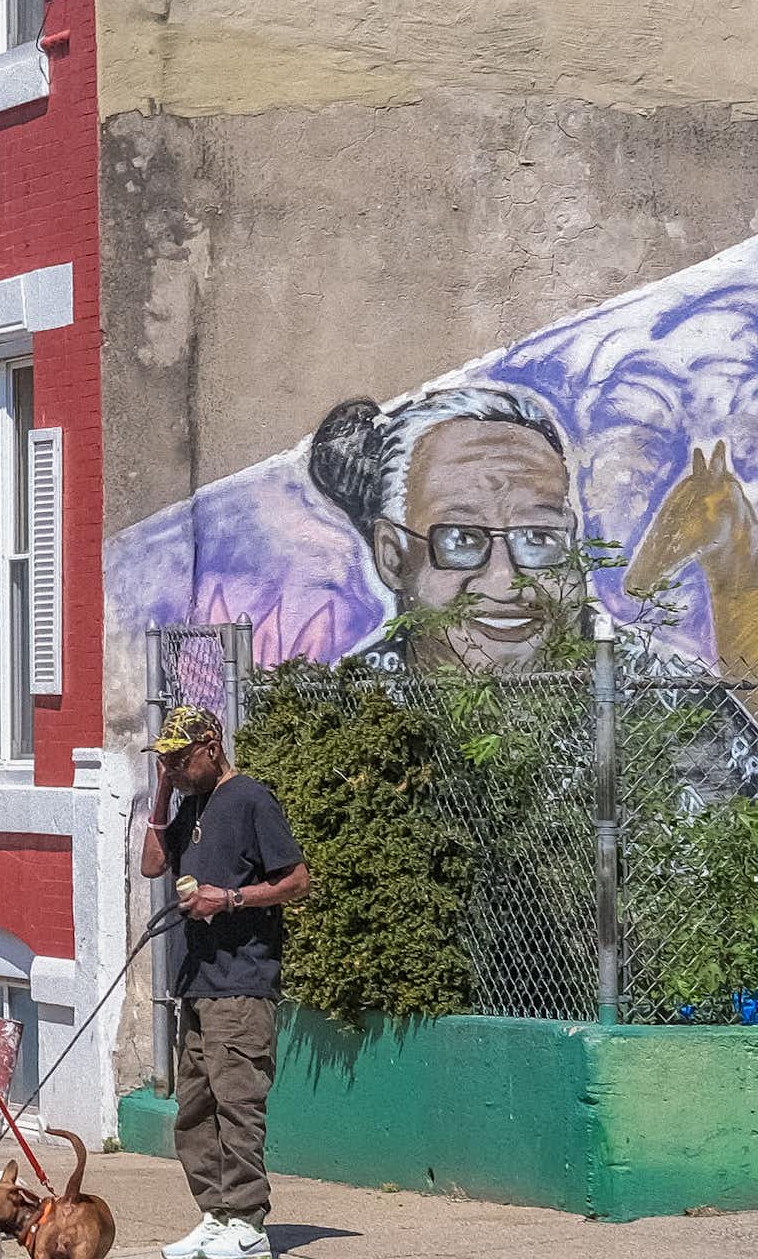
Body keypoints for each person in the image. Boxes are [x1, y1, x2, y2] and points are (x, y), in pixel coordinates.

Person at [139, 706, 311, 1259]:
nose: (176, 768)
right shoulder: (189, 803)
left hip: (243, 978)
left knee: (238, 1102)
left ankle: (248, 1224)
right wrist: (164, 788)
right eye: (167, 760)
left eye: (181, 759)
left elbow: (297, 881)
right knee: (195, 1105)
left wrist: (230, 898)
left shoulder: (252, 799)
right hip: (199, 979)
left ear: (212, 747)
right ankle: (215, 1215)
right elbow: (150, 866)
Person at [307, 386, 578, 671]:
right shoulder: (352, 704)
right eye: (461, 539)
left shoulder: (626, 681)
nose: (506, 583)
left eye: (538, 537)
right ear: (393, 558)